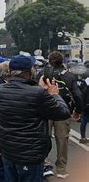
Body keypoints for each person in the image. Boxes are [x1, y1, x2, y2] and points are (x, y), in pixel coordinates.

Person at [0, 55, 71, 182]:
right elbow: (63, 113)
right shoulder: (37, 93)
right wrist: (55, 95)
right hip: (30, 155)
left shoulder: (0, 89)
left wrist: (39, 88)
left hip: (8, 150)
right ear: (28, 72)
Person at [39, 51, 84, 179]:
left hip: (45, 111)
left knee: (43, 138)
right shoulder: (69, 76)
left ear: (48, 60)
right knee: (62, 140)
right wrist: (78, 111)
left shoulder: (41, 74)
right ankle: (61, 169)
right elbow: (78, 95)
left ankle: (44, 164)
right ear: (62, 61)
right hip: (62, 111)